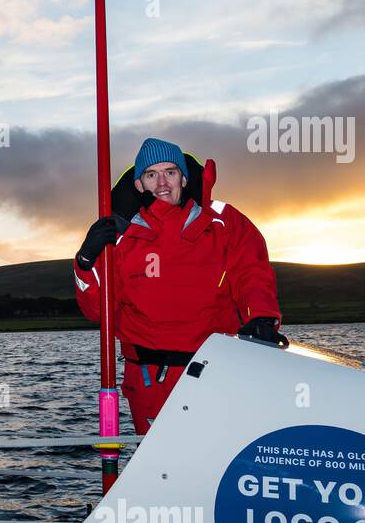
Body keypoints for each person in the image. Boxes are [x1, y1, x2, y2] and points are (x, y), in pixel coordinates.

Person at [74, 138, 284, 434]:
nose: (162, 183)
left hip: (217, 372)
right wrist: (85, 260)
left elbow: (251, 272)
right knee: (158, 467)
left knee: (216, 460)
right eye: (151, 174)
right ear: (139, 185)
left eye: (170, 172)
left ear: (184, 178)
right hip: (149, 381)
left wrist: (260, 317)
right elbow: (98, 311)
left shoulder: (224, 222)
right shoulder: (117, 237)